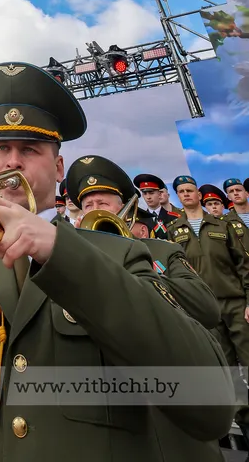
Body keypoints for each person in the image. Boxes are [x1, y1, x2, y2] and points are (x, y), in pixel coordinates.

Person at [0, 62, 233, 460]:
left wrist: (60, 252)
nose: (11, 162)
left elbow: (210, 405)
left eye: (29, 149)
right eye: (1, 149)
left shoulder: (119, 252)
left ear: (58, 168)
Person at [68, 157, 220, 327]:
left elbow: (207, 309)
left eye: (103, 203)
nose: (95, 210)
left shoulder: (163, 251)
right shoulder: (76, 257)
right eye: (88, 206)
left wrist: (144, 279)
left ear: (123, 209)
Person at [168, 175, 249, 445]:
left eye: (190, 190)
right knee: (227, 371)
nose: (186, 194)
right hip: (204, 309)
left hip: (236, 304)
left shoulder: (223, 225)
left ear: (199, 195)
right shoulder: (173, 230)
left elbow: (243, 265)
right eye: (181, 191)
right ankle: (247, 429)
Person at [133, 173, 179, 237]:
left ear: (159, 194)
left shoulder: (174, 218)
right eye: (145, 193)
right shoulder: (139, 220)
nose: (148, 197)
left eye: (151, 193)